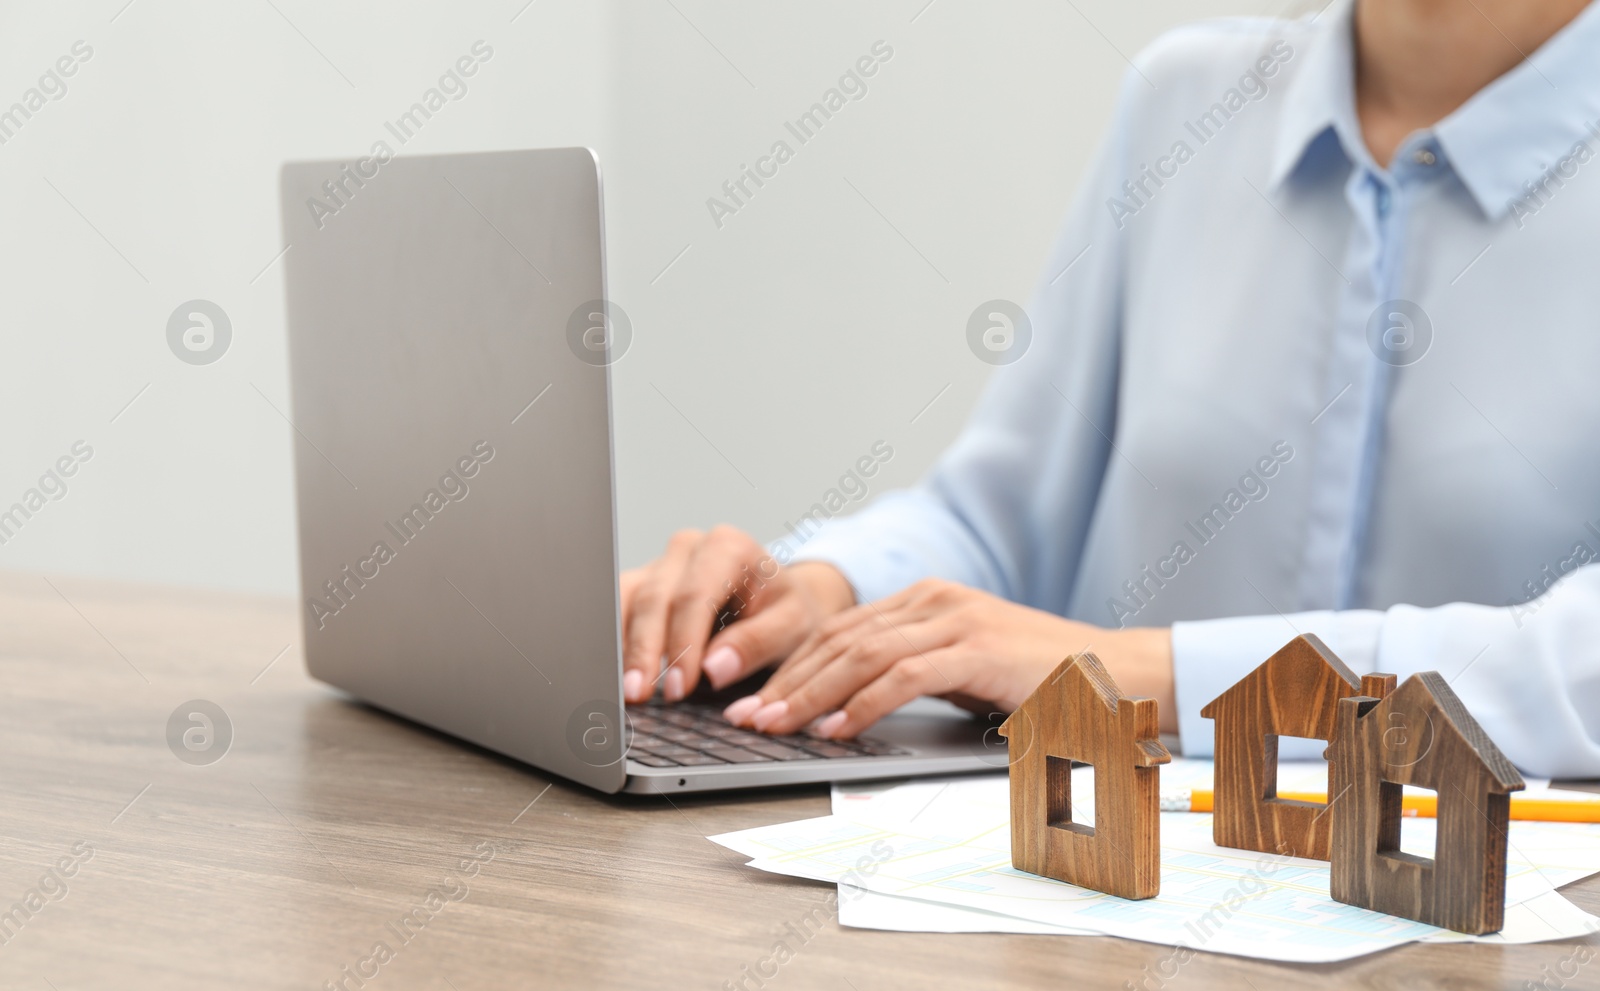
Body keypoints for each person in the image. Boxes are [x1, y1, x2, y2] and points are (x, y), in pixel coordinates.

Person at [620, 0, 1600, 778]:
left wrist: (1141, 673)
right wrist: (822, 593)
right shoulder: (1186, 99)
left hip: (1480, 978)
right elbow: (999, 519)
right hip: (1112, 929)